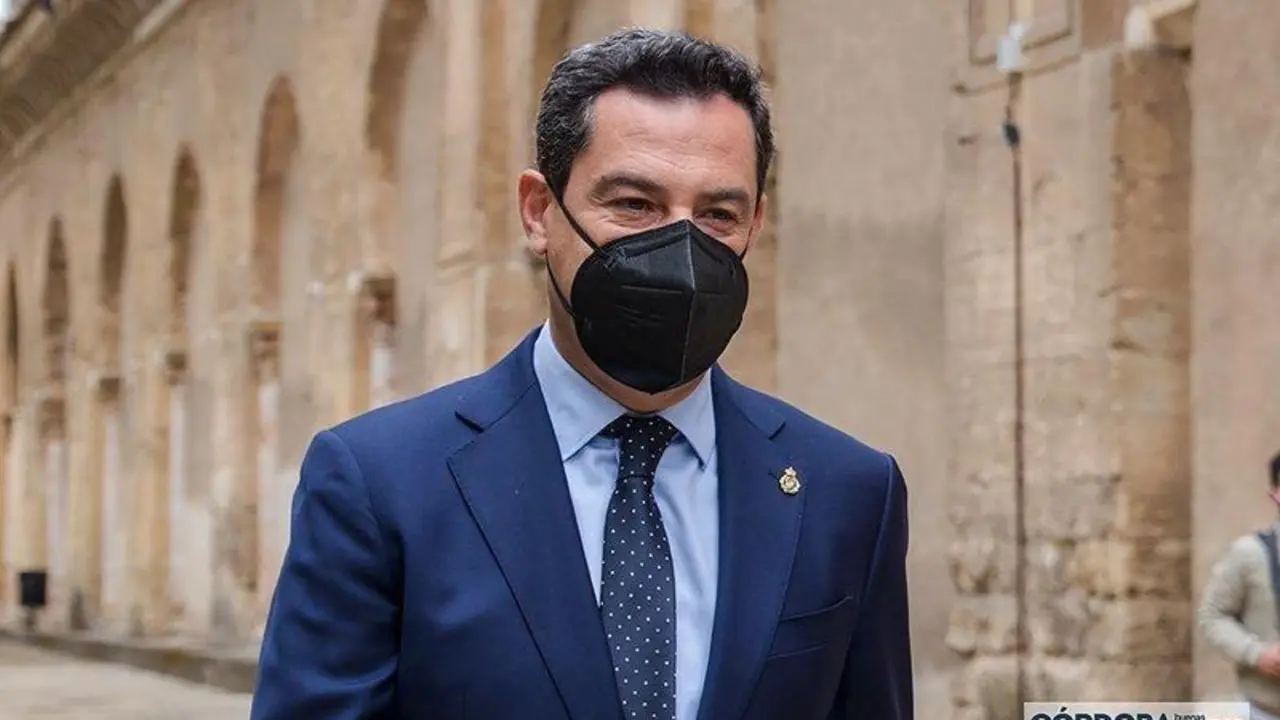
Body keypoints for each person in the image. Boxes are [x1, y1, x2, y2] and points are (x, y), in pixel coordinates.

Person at [250, 28, 912, 720]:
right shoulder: (378, 486)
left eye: (718, 214)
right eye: (634, 205)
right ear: (540, 213)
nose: (681, 248)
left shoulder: (849, 494)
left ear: (757, 223)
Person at [1199, 452, 1280, 720]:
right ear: (1275, 494)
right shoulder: (1249, 554)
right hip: (1264, 711)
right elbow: (1212, 615)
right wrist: (1258, 654)